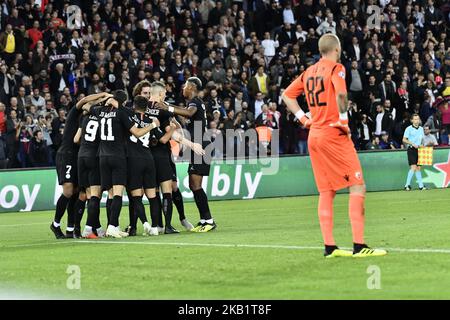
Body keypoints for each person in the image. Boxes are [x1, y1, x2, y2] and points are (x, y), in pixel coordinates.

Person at [282, 34, 387, 258]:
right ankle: (359, 245)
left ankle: (330, 247)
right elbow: (341, 93)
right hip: (333, 133)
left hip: (315, 136)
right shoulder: (336, 68)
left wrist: (303, 119)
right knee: (357, 185)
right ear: (337, 49)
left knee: (326, 191)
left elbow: (287, 95)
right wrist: (343, 120)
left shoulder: (308, 72)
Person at [85, 90, 160, 238]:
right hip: (118, 156)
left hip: (102, 157)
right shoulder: (121, 113)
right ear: (124, 102)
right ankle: (112, 226)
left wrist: (102, 98)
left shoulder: (100, 111)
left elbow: (86, 105)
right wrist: (152, 125)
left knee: (111, 194)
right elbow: (137, 133)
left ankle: (113, 226)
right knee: (118, 193)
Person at [156, 77, 216, 232]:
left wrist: (167, 107)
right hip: (197, 146)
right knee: (193, 185)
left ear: (192, 87)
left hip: (201, 147)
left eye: (185, 85)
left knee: (195, 185)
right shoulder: (194, 103)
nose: (183, 88)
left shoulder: (194, 103)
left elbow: (189, 113)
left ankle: (208, 220)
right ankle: (204, 220)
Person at [50, 93, 107, 239]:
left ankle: (71, 229)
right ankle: (55, 224)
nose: (91, 105)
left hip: (80, 157)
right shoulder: (74, 113)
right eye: (90, 103)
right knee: (68, 191)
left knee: (77, 193)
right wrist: (104, 95)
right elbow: (84, 100)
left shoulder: (88, 118)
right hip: (66, 154)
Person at [402, 114, 426, 191]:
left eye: (418, 119)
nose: (416, 121)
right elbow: (404, 139)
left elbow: (422, 139)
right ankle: (407, 185)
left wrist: (422, 145)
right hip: (411, 149)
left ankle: (421, 186)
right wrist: (412, 144)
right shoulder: (408, 129)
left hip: (419, 149)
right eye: (415, 119)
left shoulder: (421, 129)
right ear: (412, 120)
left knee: (418, 168)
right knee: (413, 167)